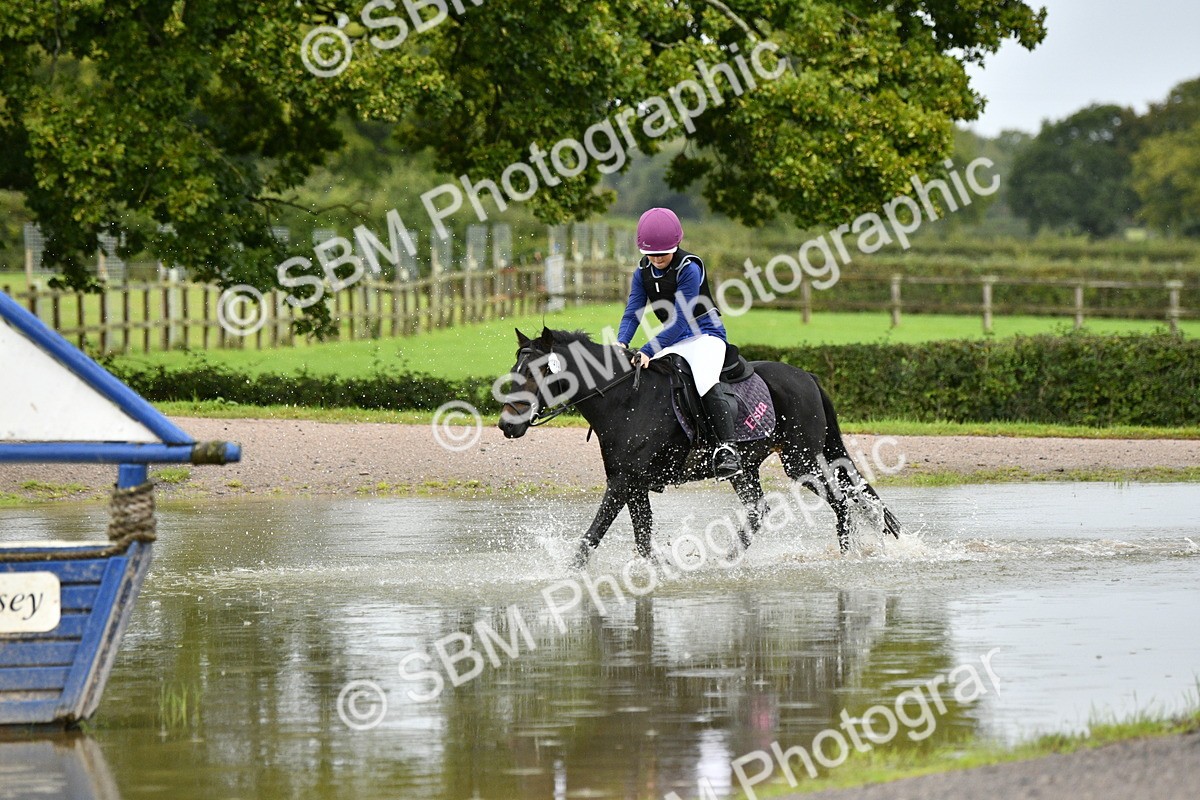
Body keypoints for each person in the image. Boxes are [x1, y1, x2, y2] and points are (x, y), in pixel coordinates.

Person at [615, 207, 743, 479]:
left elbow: (682, 320)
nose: (657, 258)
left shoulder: (690, 268)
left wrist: (648, 350)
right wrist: (621, 344)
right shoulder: (641, 273)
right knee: (653, 379)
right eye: (652, 254)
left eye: (663, 252)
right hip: (678, 341)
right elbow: (632, 312)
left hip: (706, 336)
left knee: (704, 380)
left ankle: (727, 449)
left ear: (676, 245)